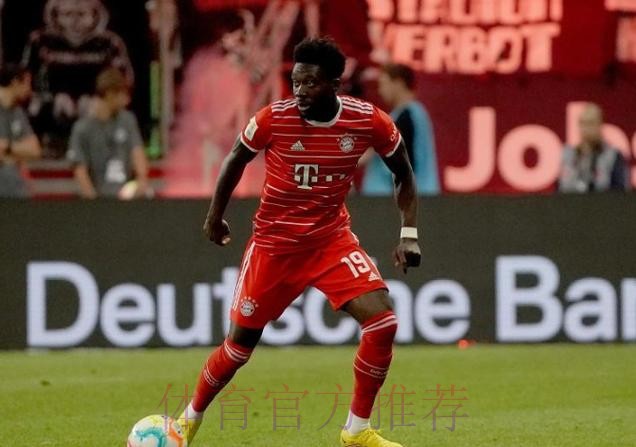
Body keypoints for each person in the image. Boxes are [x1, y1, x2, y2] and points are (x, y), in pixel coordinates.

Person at [176, 38, 421, 447]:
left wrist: (408, 234)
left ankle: (357, 431)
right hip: (274, 248)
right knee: (238, 349)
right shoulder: (274, 118)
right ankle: (188, 420)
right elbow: (236, 158)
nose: (300, 91)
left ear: (335, 84)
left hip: (330, 242)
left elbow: (404, 173)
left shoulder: (368, 121)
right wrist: (214, 217)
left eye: (310, 83)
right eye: (295, 82)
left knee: (383, 322)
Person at [22, 0, 134, 157]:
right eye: (67, 14)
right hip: (51, 109)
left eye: (82, 14)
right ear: (55, 16)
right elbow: (25, 81)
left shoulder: (109, 43)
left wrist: (100, 102)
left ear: (95, 15)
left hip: (97, 111)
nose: (74, 21)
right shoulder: (40, 41)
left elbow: (123, 82)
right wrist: (50, 100)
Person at [66, 68, 148, 199]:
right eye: (123, 94)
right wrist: (94, 202)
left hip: (126, 199)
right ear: (110, 94)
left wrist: (142, 181)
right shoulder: (82, 128)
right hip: (97, 198)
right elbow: (80, 170)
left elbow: (137, 152)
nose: (127, 100)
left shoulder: (128, 120)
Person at [362, 63, 440, 195]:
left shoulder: (409, 115)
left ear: (398, 83)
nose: (380, 90)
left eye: (384, 84)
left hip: (403, 199)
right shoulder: (406, 115)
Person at [558, 103, 629, 192]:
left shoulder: (613, 156)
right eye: (583, 123)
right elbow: (559, 189)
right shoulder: (569, 156)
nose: (586, 128)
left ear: (600, 125)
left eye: (591, 123)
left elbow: (620, 191)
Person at [0, 64, 42, 198]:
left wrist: (7, 147)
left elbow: (35, 150)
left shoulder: (18, 112)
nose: (29, 90)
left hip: (16, 192)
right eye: (27, 84)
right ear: (15, 82)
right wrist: (18, 152)